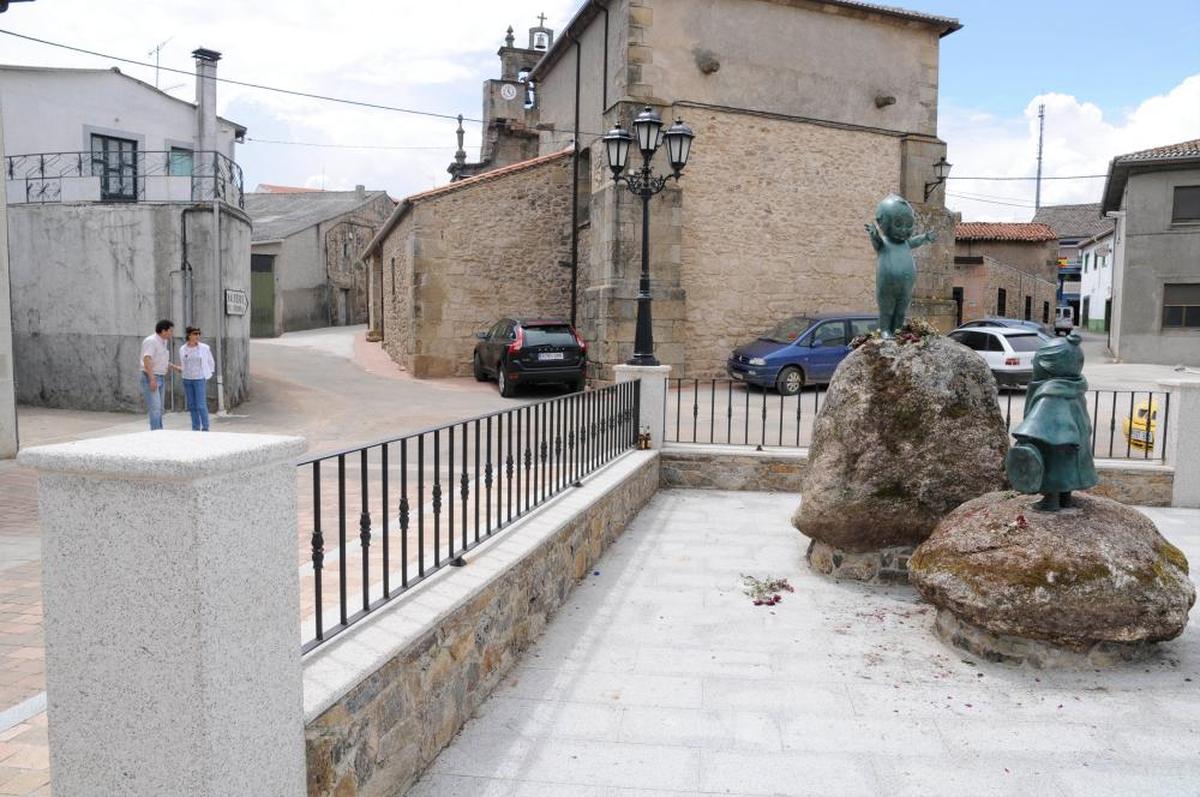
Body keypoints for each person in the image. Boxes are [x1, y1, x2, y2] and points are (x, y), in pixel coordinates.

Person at [1007, 332, 1099, 511]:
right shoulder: (1074, 388)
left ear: (1047, 367)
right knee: (1066, 470)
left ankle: (1051, 500)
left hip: (1056, 443)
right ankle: (1066, 497)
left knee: (1054, 469)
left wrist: (1025, 437)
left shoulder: (1050, 393)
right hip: (1073, 443)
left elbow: (1037, 422)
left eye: (1036, 362)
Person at [865, 194, 937, 336]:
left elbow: (916, 241)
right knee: (887, 309)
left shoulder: (906, 243)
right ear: (883, 223)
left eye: (908, 225)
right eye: (898, 224)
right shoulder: (884, 244)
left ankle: (897, 330)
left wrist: (925, 238)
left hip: (906, 285)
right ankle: (885, 330)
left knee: (900, 311)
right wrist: (874, 234)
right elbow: (877, 242)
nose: (904, 229)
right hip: (887, 285)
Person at [179, 326, 216, 432]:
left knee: (200, 404)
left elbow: (210, 362)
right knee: (191, 405)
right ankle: (195, 427)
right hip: (187, 379)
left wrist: (208, 374)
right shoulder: (182, 349)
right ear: (189, 335)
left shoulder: (205, 348)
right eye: (195, 333)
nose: (197, 336)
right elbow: (183, 364)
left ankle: (205, 427)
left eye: (199, 333)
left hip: (199, 378)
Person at [140, 319, 174, 431]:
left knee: (160, 408)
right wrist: (152, 379)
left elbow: (160, 360)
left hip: (161, 376)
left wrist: (174, 367)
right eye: (170, 331)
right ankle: (156, 433)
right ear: (163, 331)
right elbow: (147, 359)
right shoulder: (151, 341)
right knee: (155, 408)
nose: (171, 333)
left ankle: (159, 430)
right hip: (151, 376)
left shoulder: (163, 341)